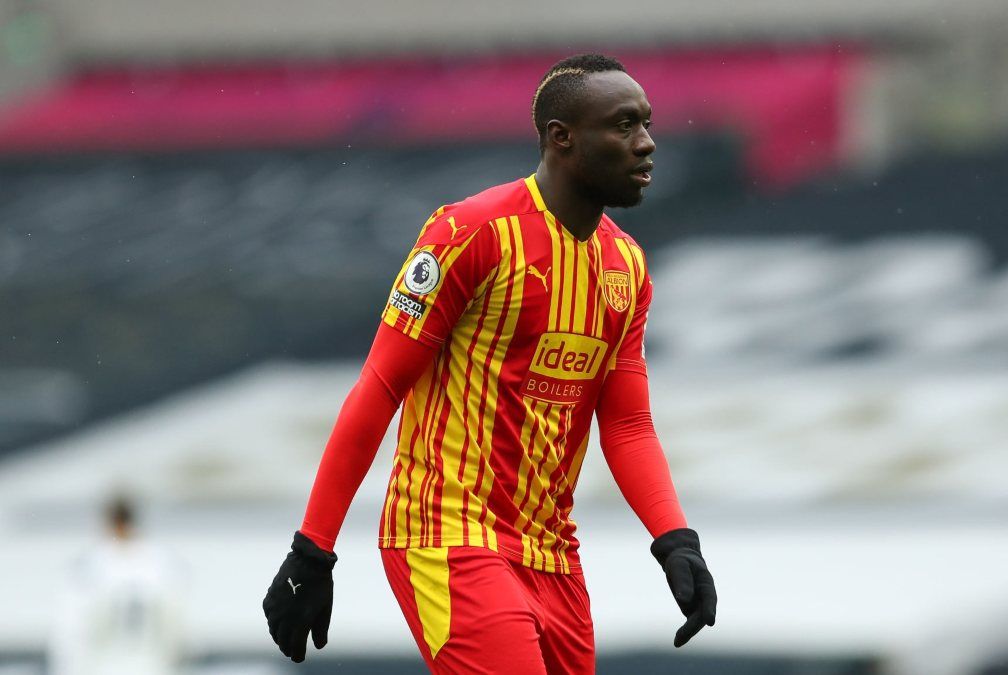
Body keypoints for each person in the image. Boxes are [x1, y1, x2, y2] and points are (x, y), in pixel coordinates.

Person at [262, 53, 717, 674]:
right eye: (624, 125)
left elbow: (628, 424)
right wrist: (313, 549)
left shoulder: (626, 267)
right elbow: (380, 385)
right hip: (448, 535)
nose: (646, 143)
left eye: (647, 125)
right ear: (561, 137)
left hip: (552, 555)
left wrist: (675, 540)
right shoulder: (473, 232)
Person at [49, 494, 184, 675]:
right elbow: (175, 621)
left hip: (114, 663)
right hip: (144, 663)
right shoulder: (160, 561)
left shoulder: (91, 564)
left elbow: (70, 627)